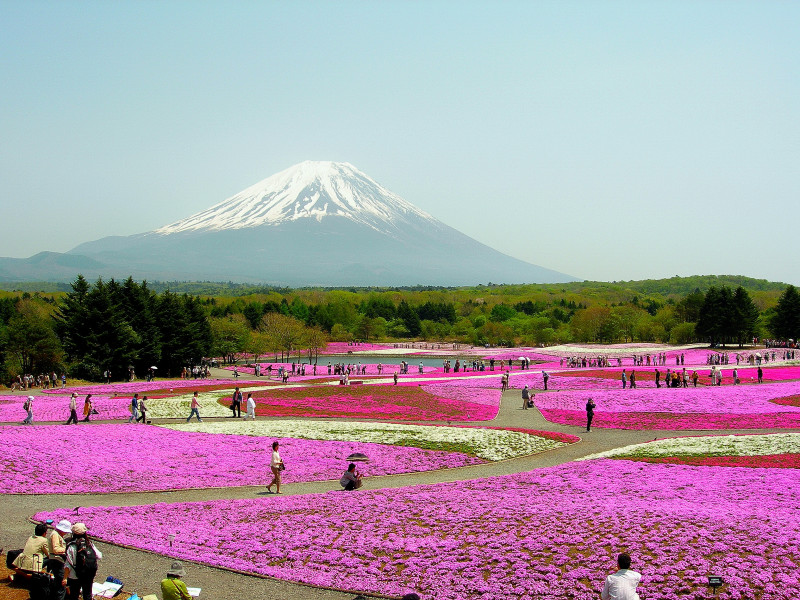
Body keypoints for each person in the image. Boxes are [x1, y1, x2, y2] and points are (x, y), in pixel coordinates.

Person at [63, 523, 101, 600]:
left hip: (75, 575)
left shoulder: (71, 545)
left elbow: (68, 564)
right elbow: (99, 556)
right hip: (88, 574)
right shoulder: (89, 543)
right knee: (87, 594)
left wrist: (65, 578)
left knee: (74, 595)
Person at [48, 519, 72, 600]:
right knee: (61, 582)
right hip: (56, 560)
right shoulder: (55, 535)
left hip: (57, 560)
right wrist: (66, 549)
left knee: (58, 581)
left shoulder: (57, 534)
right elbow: (56, 549)